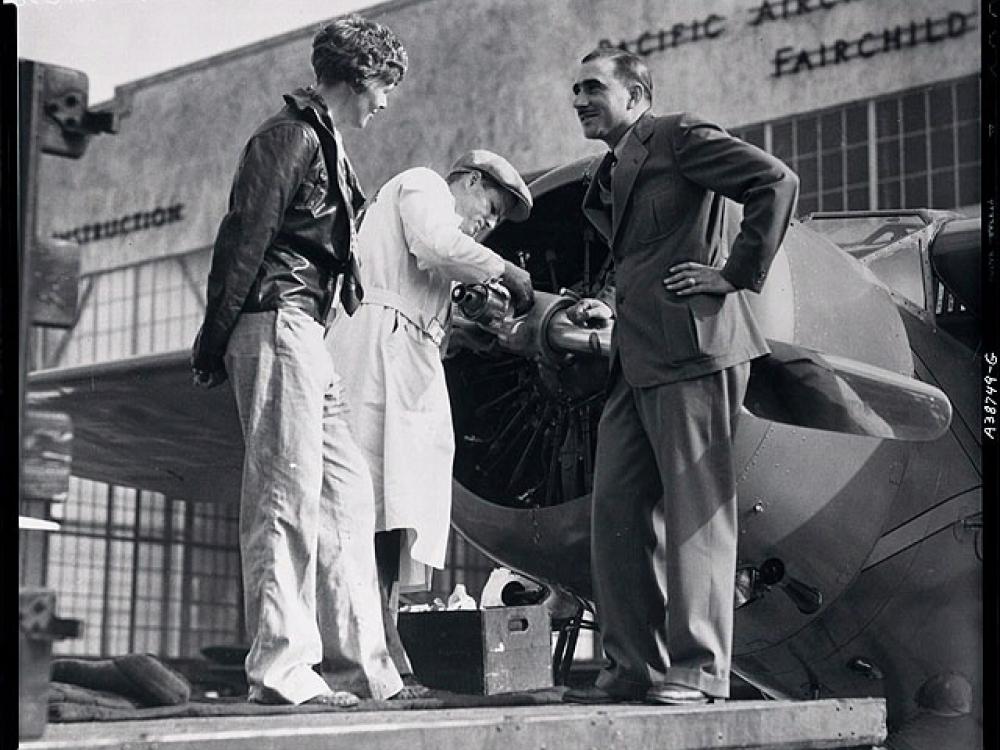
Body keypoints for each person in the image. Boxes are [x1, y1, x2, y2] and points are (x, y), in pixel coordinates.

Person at [561, 47, 799, 706]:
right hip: (633, 362)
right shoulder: (608, 173)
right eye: (573, 89)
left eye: (591, 86)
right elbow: (643, 257)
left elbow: (775, 181)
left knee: (698, 518)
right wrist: (603, 303)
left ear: (637, 91)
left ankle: (698, 671)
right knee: (613, 514)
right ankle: (631, 668)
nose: (577, 99)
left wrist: (734, 275)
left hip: (693, 354)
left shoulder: (679, 135)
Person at [190, 15, 413, 706]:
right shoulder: (287, 137)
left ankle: (358, 669)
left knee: (346, 494)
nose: (386, 102)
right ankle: (282, 671)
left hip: (304, 332)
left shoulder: (326, 141)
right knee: (285, 498)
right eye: (384, 86)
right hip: (276, 321)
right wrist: (216, 335)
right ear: (360, 76)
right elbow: (245, 236)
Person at [326, 150, 534, 680]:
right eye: (491, 203)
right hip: (375, 354)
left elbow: (425, 305)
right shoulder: (424, 186)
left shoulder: (435, 244)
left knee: (397, 510)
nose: (490, 222)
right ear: (464, 180)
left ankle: (380, 646)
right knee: (370, 506)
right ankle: (369, 654)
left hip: (400, 356)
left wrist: (469, 333)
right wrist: (505, 269)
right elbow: (434, 247)